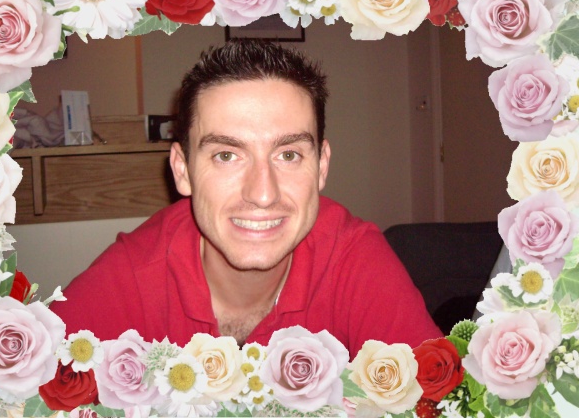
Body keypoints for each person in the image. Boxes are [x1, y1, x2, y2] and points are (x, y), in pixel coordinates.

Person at [50, 40, 441, 359]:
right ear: (183, 170)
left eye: (288, 155)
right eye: (226, 155)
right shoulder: (133, 279)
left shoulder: (353, 260)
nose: (263, 194)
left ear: (321, 166)